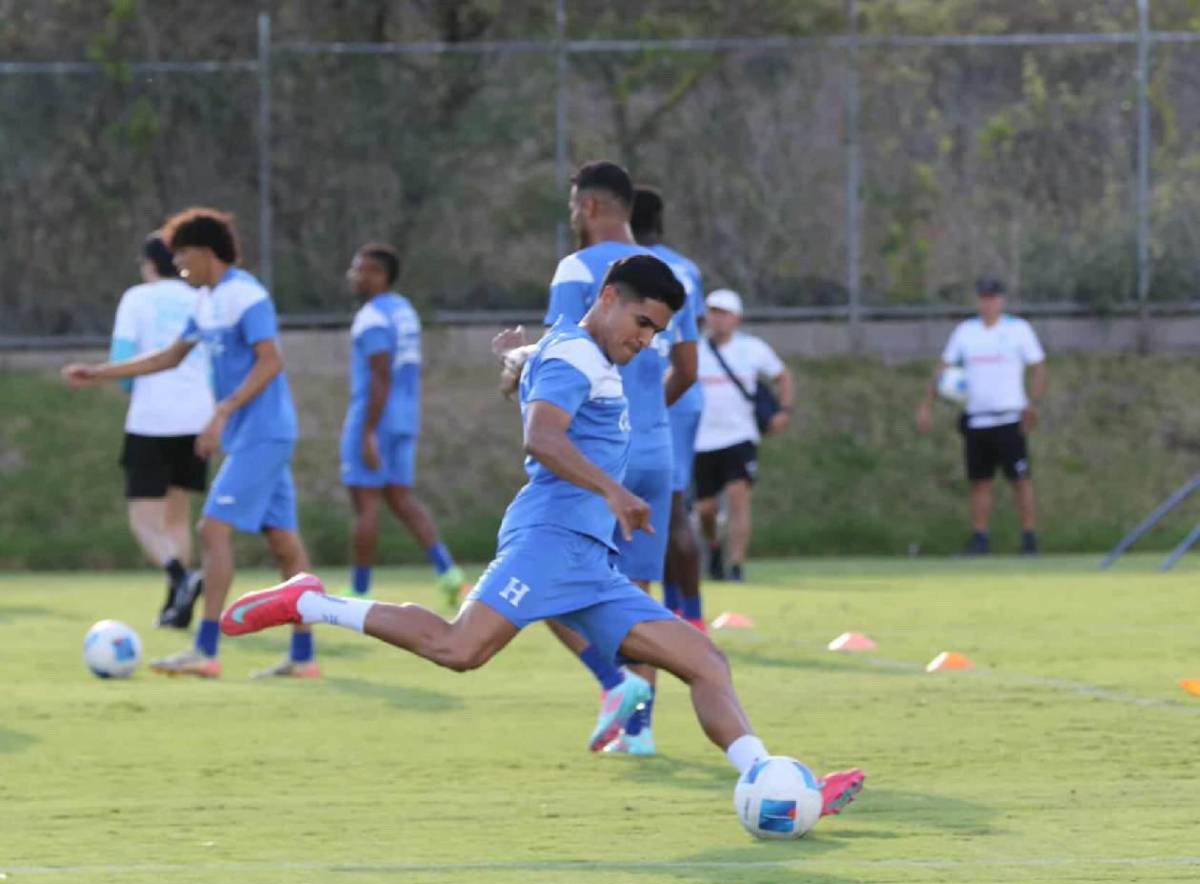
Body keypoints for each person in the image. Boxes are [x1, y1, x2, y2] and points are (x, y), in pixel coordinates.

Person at [219, 254, 864, 819]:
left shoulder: (575, 348)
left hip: (589, 559)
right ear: (608, 298)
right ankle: (309, 601)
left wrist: (515, 360)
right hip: (548, 540)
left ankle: (770, 781)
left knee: (705, 662)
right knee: (458, 649)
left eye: (658, 332)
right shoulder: (578, 352)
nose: (646, 340)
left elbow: (542, 372)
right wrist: (612, 491)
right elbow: (542, 436)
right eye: (642, 323)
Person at [62, 207, 318, 679]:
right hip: (251, 435)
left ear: (203, 253)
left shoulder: (246, 295)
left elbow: (271, 362)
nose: (177, 265)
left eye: (182, 255)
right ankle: (304, 659)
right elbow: (169, 357)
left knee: (212, 529)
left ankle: (206, 650)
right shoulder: (205, 301)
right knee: (283, 543)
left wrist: (221, 412)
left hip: (263, 433)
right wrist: (99, 373)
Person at [538, 161, 695, 756]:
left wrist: (512, 370)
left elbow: (559, 356)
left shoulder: (578, 270)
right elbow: (688, 369)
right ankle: (640, 731)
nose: (574, 216)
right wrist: (645, 417)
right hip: (656, 450)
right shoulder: (678, 272)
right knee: (636, 591)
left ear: (595, 207)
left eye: (576, 206)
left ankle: (612, 684)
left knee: (539, 581)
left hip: (600, 455)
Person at [341, 243, 464, 604]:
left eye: (361, 269)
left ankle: (360, 590)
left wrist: (366, 432)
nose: (354, 276)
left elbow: (381, 375)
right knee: (400, 497)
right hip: (405, 416)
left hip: (375, 417)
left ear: (380, 275)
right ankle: (448, 571)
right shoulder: (404, 311)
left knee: (365, 504)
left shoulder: (372, 317)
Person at [107, 232, 212, 629]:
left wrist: (131, 389)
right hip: (197, 419)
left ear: (149, 264)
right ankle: (176, 608)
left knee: (144, 521)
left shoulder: (138, 298)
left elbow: (122, 363)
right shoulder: (199, 297)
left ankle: (180, 578)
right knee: (176, 518)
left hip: (152, 421)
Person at [916, 276, 1047, 555]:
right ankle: (980, 538)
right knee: (980, 481)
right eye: (983, 298)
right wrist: (927, 404)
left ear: (1001, 301)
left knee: (1020, 480)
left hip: (1010, 417)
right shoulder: (966, 332)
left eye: (993, 298)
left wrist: (1033, 404)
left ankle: (1029, 537)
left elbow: (1038, 367)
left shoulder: (1018, 330)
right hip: (977, 418)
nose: (988, 304)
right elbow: (944, 369)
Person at [630, 186, 707, 632]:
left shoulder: (625, 267)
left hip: (654, 391)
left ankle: (685, 619)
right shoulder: (686, 267)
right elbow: (689, 331)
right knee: (673, 503)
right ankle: (683, 612)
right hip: (684, 392)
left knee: (666, 510)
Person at [694, 289, 794, 582]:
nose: (717, 318)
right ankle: (713, 546)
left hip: (740, 437)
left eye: (723, 313)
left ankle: (736, 565)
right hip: (702, 439)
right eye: (713, 312)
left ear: (736, 318)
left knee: (739, 499)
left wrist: (784, 411)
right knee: (705, 509)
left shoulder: (752, 349)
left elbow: (783, 376)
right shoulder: (695, 350)